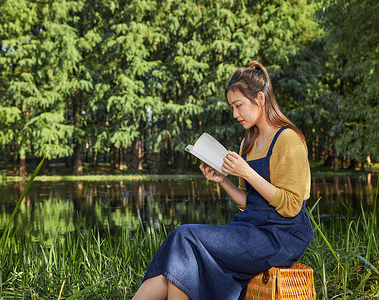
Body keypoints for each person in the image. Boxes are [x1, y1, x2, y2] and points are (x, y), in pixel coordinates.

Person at [132, 61, 314, 300]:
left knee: (184, 236)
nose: (234, 114)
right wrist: (223, 180)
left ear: (259, 99)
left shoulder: (288, 139)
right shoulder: (248, 143)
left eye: (238, 105)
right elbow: (249, 202)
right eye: (231, 107)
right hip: (250, 229)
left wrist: (247, 172)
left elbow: (291, 207)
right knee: (182, 251)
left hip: (280, 236)